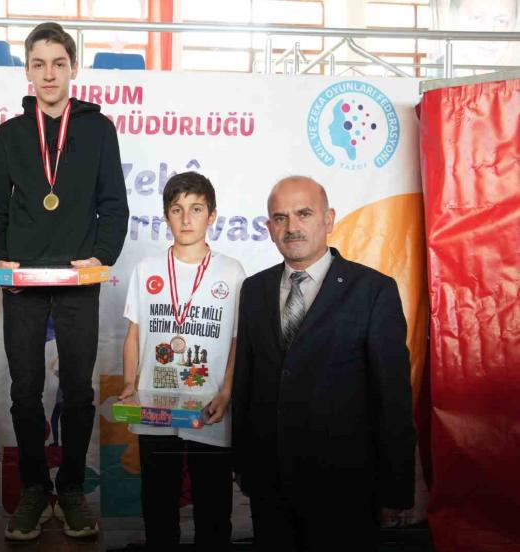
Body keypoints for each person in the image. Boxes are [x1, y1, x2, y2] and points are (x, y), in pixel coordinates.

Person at [0, 22, 129, 540]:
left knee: (78, 392)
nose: (49, 74)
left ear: (73, 68)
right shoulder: (8, 135)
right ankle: (33, 489)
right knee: (25, 391)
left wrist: (100, 258)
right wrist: (1, 261)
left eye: (58, 64)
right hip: (22, 283)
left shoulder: (98, 129)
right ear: (27, 70)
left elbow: (114, 206)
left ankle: (70, 488)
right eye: (39, 64)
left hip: (78, 281)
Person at [231, 175, 416, 551]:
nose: (292, 226)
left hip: (346, 488)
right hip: (270, 486)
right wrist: (244, 465)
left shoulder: (373, 291)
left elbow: (393, 397)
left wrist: (394, 489)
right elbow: (245, 383)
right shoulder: (253, 290)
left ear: (328, 219)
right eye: (280, 217)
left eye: (304, 214)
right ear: (269, 228)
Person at [120, 171, 245, 551]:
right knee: (158, 499)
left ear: (212, 215)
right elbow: (134, 334)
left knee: (213, 501)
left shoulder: (232, 272)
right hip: (155, 402)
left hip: (210, 404)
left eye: (196, 209)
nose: (186, 219)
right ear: (166, 216)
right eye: (177, 210)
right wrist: (128, 385)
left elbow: (237, 340)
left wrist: (227, 391)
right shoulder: (147, 269)